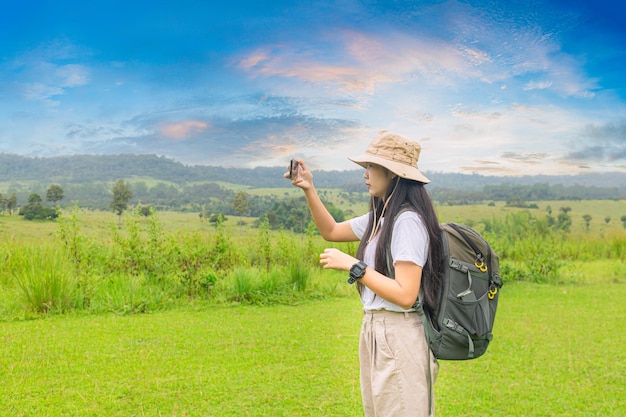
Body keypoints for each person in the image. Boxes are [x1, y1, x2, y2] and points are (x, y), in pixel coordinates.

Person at [287, 130, 443, 417]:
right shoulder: (380, 218)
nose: (365, 173)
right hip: (375, 329)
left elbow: (406, 294)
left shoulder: (407, 221)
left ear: (393, 173)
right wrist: (309, 188)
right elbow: (331, 230)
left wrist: (354, 267)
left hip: (400, 330)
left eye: (371, 167)